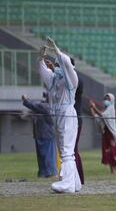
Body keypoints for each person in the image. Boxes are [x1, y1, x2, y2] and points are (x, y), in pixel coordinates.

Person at [37, 37, 81, 193]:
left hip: (68, 114)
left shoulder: (72, 80)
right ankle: (74, 183)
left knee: (67, 150)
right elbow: (43, 72)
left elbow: (68, 65)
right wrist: (41, 59)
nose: (56, 67)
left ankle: (67, 184)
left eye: (58, 64)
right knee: (63, 150)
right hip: (57, 116)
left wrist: (58, 51)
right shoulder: (55, 80)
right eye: (55, 64)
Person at [22, 93, 57, 178]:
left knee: (48, 155)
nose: (43, 99)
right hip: (40, 134)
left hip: (46, 134)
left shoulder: (45, 106)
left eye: (44, 97)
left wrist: (26, 100)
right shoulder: (43, 106)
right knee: (41, 156)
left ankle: (51, 173)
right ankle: (43, 173)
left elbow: (34, 106)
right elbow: (35, 108)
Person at [90, 93, 116, 174]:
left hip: (111, 134)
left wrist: (94, 107)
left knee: (113, 151)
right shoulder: (105, 110)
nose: (106, 100)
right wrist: (91, 108)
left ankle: (114, 169)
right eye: (105, 99)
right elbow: (97, 117)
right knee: (107, 151)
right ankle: (112, 170)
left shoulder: (111, 108)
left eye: (108, 99)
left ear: (112, 100)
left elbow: (102, 115)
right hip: (105, 133)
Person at [71, 58, 84, 184]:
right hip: (70, 119)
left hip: (75, 119)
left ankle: (78, 177)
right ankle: (73, 177)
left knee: (73, 150)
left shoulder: (76, 80)